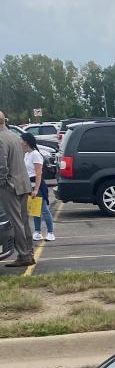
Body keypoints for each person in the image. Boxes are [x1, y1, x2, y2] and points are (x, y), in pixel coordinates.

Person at [0, 112, 34, 267]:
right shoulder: (14, 136)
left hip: (10, 186)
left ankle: (24, 255)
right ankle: (29, 252)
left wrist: (3, 183)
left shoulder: (1, 139)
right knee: (23, 221)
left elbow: (2, 166)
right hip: (22, 183)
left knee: (15, 221)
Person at [21, 133, 55, 243]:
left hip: (38, 186)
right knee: (35, 210)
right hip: (29, 186)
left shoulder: (35, 154)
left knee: (44, 210)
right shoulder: (27, 154)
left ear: (26, 142)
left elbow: (38, 173)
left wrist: (36, 189)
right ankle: (37, 232)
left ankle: (50, 233)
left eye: (21, 140)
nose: (20, 142)